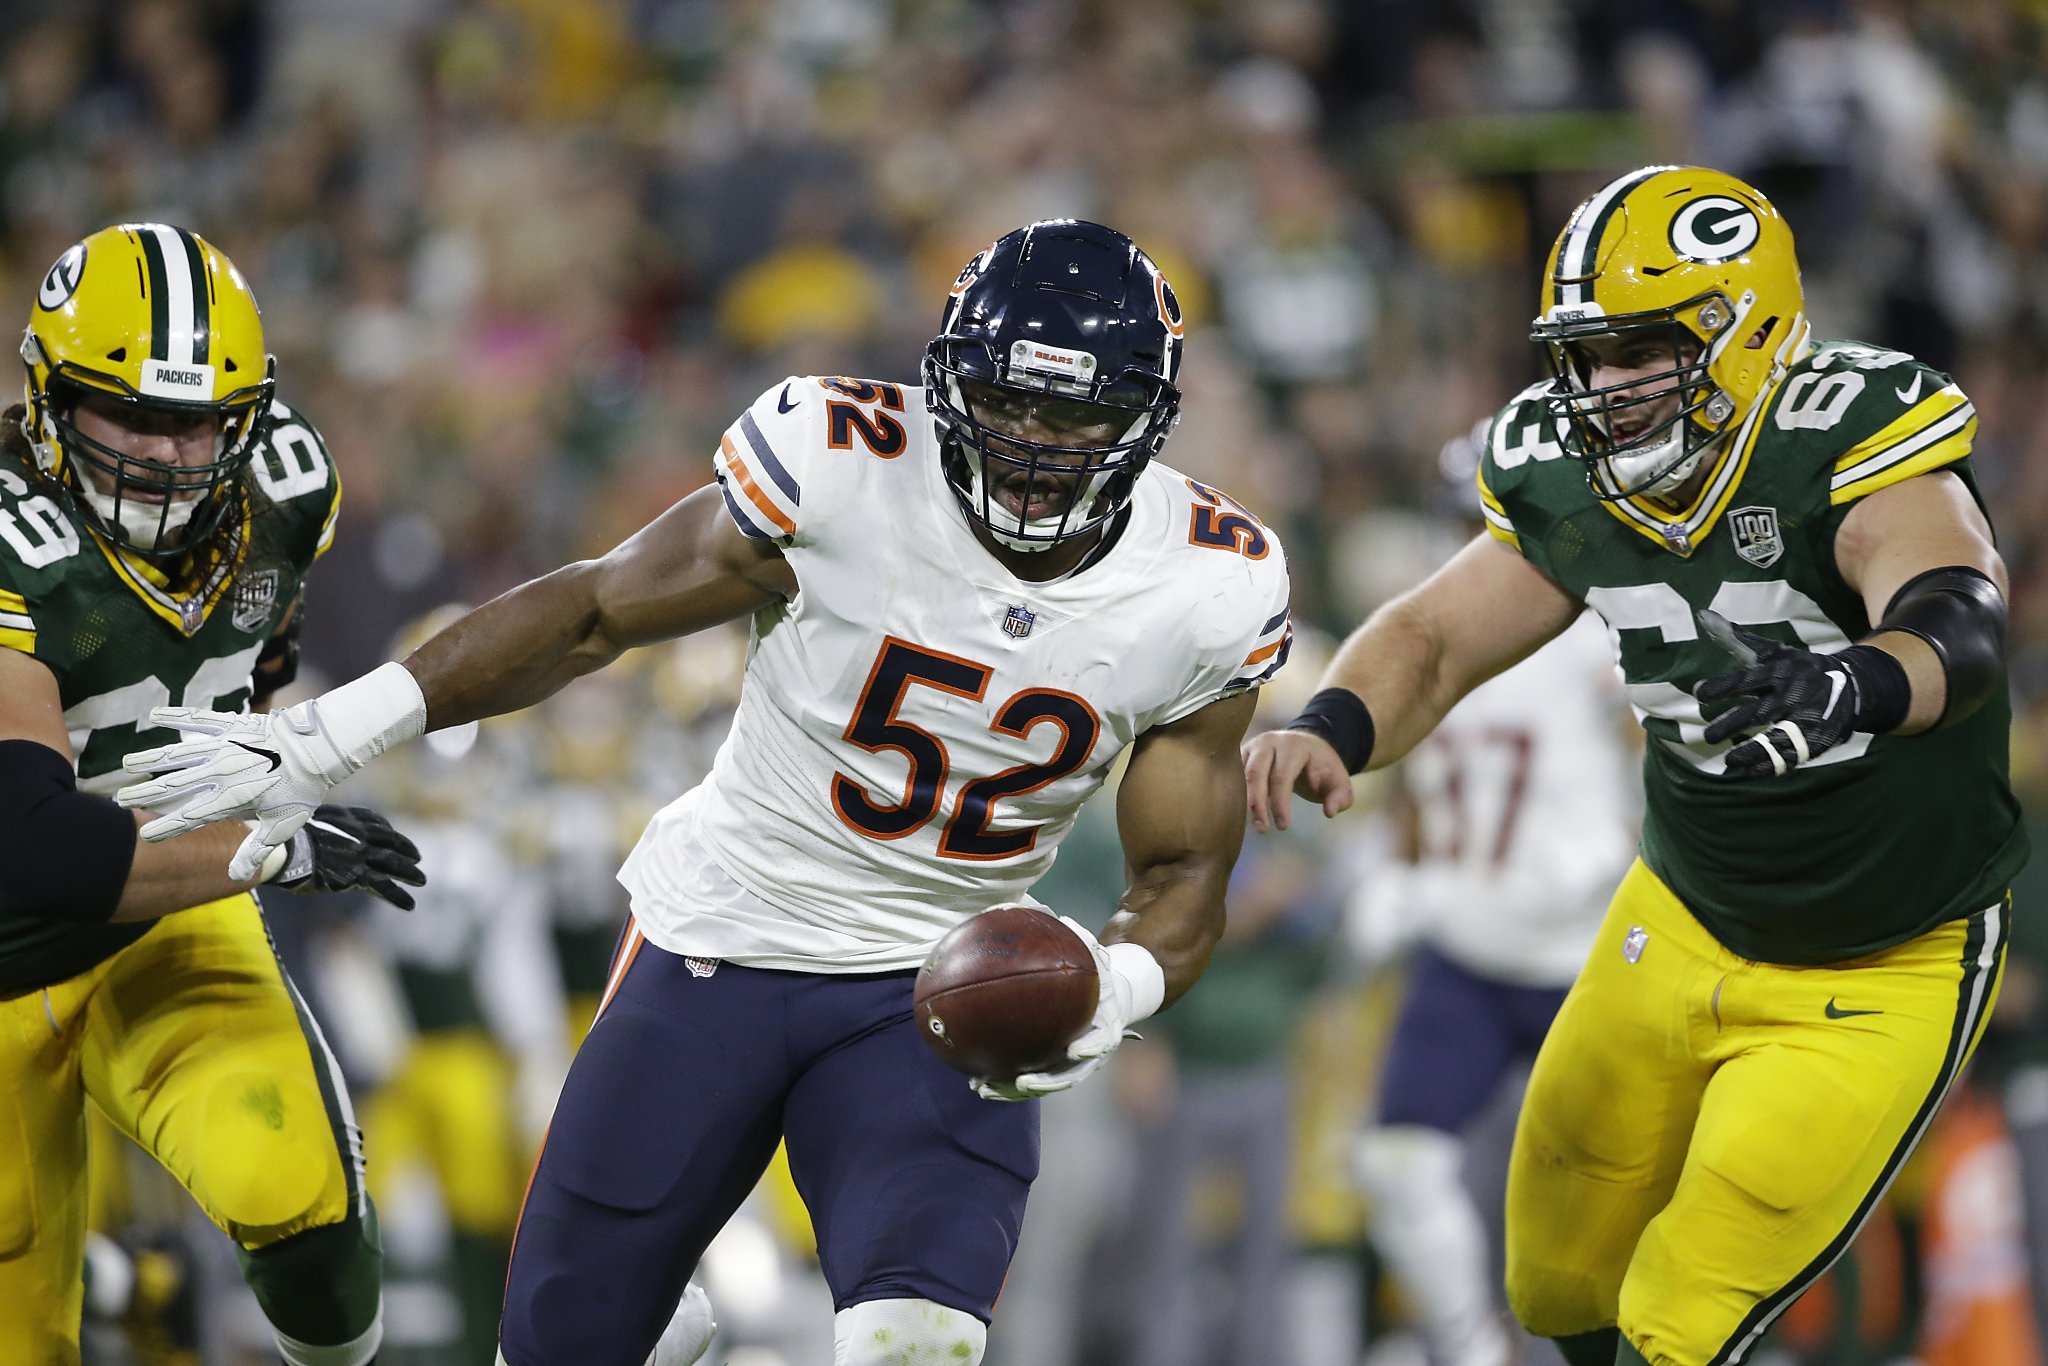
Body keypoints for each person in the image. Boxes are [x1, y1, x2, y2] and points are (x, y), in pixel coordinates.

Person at [117, 219, 1293, 1366]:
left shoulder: (1205, 585)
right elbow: (592, 611)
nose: (1029, 446)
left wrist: (1113, 986)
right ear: (946, 381)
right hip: (719, 940)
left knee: (916, 1343)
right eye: (1003, 404)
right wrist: (325, 735)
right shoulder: (842, 462)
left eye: (1072, 414)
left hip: (933, 988)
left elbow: (1183, 871)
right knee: (558, 1345)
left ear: (1142, 421)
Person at [1242, 165, 2025, 1366]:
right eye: (1587, 356)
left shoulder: (1847, 424)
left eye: (1637, 351)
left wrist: (1852, 678)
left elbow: (1955, 615)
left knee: (1681, 1317)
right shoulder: (1560, 464)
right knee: (1552, 1283)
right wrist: (1333, 724)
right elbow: (1437, 631)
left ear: (1741, 328)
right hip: (1680, 915)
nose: (1603, 390)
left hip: (1882, 961)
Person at [0, 223, 424, 1366]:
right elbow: (29, 845)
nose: (169, 455)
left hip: (165, 920)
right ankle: (129, 1284)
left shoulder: (286, 488)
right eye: (128, 414)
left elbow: (262, 657)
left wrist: (264, 784)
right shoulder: (9, 536)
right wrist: (273, 844)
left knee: (300, 1214)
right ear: (46, 401)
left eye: (194, 421)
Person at [1350, 603, 1632, 1366]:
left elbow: (1665, 754)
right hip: (1466, 953)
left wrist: (1616, 849)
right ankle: (1475, 1349)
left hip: (1584, 959)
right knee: (1398, 1164)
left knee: (1626, 1189)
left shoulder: (1589, 640)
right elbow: (1412, 790)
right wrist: (1393, 874)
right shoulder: (1423, 635)